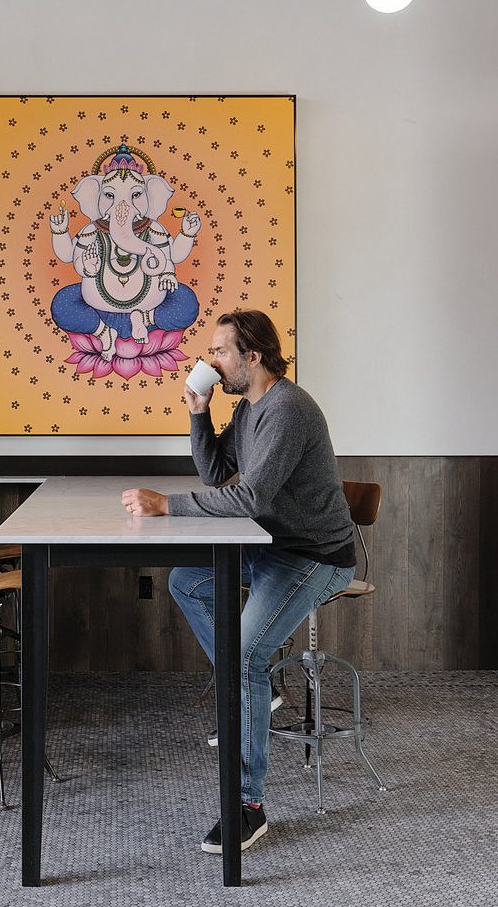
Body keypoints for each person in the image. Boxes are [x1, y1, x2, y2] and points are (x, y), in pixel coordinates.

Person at [121, 309, 355, 854]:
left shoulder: (287, 410)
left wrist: (165, 506)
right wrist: (198, 413)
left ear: (252, 356)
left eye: (220, 352)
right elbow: (215, 476)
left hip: (316, 557)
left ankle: (247, 808)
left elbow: (250, 499)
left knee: (245, 654)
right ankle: (259, 687)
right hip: (273, 549)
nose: (211, 361)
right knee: (186, 581)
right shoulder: (250, 410)